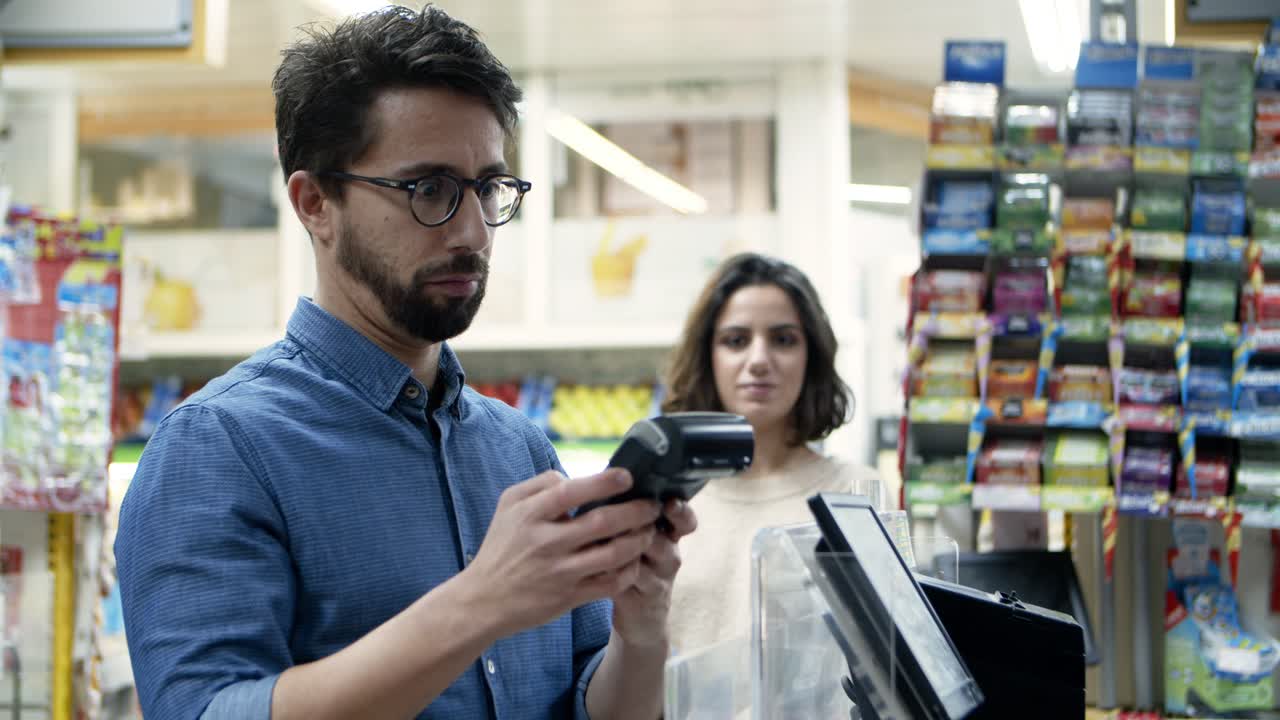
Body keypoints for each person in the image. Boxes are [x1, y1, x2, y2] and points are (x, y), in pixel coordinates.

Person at [114, 6, 695, 720]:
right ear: (315, 204)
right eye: (430, 189)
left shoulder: (519, 449)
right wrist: (478, 602)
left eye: (488, 188)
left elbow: (589, 706)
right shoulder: (217, 448)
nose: (474, 230)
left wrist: (641, 635)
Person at [661, 252, 884, 654]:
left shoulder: (855, 492)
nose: (759, 360)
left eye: (782, 339)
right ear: (707, 356)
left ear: (811, 356)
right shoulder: (665, 500)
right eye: (736, 340)